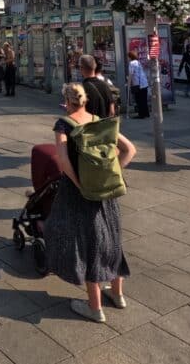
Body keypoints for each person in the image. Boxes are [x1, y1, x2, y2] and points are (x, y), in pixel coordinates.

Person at [46, 83, 136, 323]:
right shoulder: (99, 121)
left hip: (80, 195)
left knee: (89, 244)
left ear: (66, 101)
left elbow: (64, 163)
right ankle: (117, 295)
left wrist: (81, 185)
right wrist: (111, 173)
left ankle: (94, 308)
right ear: (84, 100)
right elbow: (130, 150)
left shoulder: (63, 124)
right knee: (112, 239)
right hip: (108, 192)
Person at [126, 51, 149, 119]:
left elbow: (131, 74)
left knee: (139, 100)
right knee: (144, 99)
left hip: (138, 84)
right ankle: (146, 113)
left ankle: (141, 114)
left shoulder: (131, 63)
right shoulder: (138, 62)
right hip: (144, 83)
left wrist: (128, 83)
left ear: (130, 57)